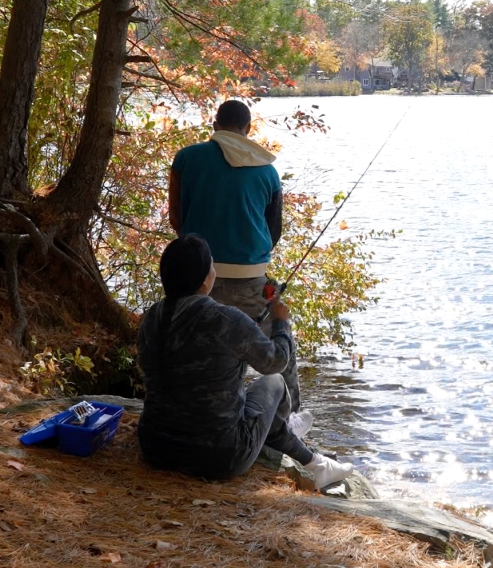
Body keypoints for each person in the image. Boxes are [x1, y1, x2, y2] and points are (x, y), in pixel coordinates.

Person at [136, 235, 353, 487]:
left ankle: (316, 462)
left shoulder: (150, 318)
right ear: (206, 279)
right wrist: (281, 322)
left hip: (155, 447)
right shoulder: (224, 318)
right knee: (273, 382)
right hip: (219, 456)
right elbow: (276, 362)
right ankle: (307, 453)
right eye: (211, 266)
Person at [169, 100, 306, 423]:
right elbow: (274, 231)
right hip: (252, 279)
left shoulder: (186, 158)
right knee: (279, 347)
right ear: (248, 129)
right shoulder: (268, 170)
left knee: (193, 349)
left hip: (197, 277)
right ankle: (289, 422)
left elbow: (177, 218)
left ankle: (187, 412)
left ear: (215, 126)